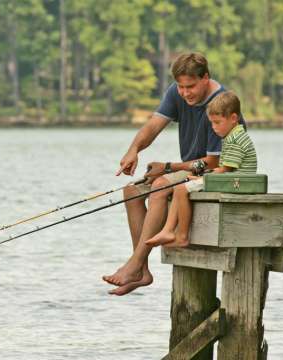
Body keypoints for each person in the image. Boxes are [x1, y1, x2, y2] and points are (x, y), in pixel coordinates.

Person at [102, 52, 245, 296]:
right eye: (180, 86)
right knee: (132, 190)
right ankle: (142, 271)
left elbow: (213, 161)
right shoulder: (176, 93)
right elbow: (154, 125)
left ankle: (134, 264)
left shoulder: (221, 104)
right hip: (188, 168)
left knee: (160, 185)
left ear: (206, 78)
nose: (185, 93)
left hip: (215, 172)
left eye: (190, 86)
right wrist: (133, 150)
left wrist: (168, 168)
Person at [145, 91, 257, 248]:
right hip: (231, 180)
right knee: (181, 186)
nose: (214, 128)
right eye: (211, 123)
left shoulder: (234, 140)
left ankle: (181, 235)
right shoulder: (234, 135)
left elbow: (225, 170)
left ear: (233, 118)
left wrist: (202, 179)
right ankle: (168, 230)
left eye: (217, 122)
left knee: (181, 189)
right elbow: (224, 170)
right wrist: (203, 177)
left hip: (235, 183)